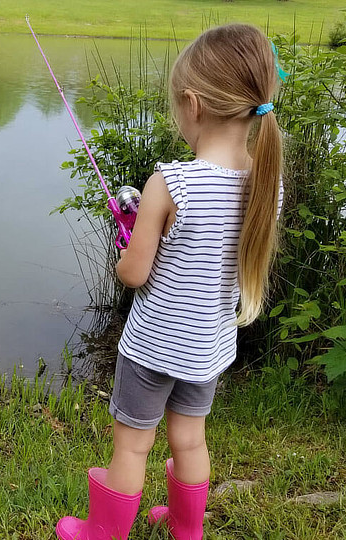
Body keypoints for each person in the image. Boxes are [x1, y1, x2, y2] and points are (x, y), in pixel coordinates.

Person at [55, 23, 284, 540]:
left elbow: (134, 274)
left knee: (132, 445)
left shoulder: (171, 182)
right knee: (190, 440)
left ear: (192, 102)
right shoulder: (268, 184)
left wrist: (129, 238)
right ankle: (187, 530)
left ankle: (103, 532)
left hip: (154, 345)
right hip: (209, 347)